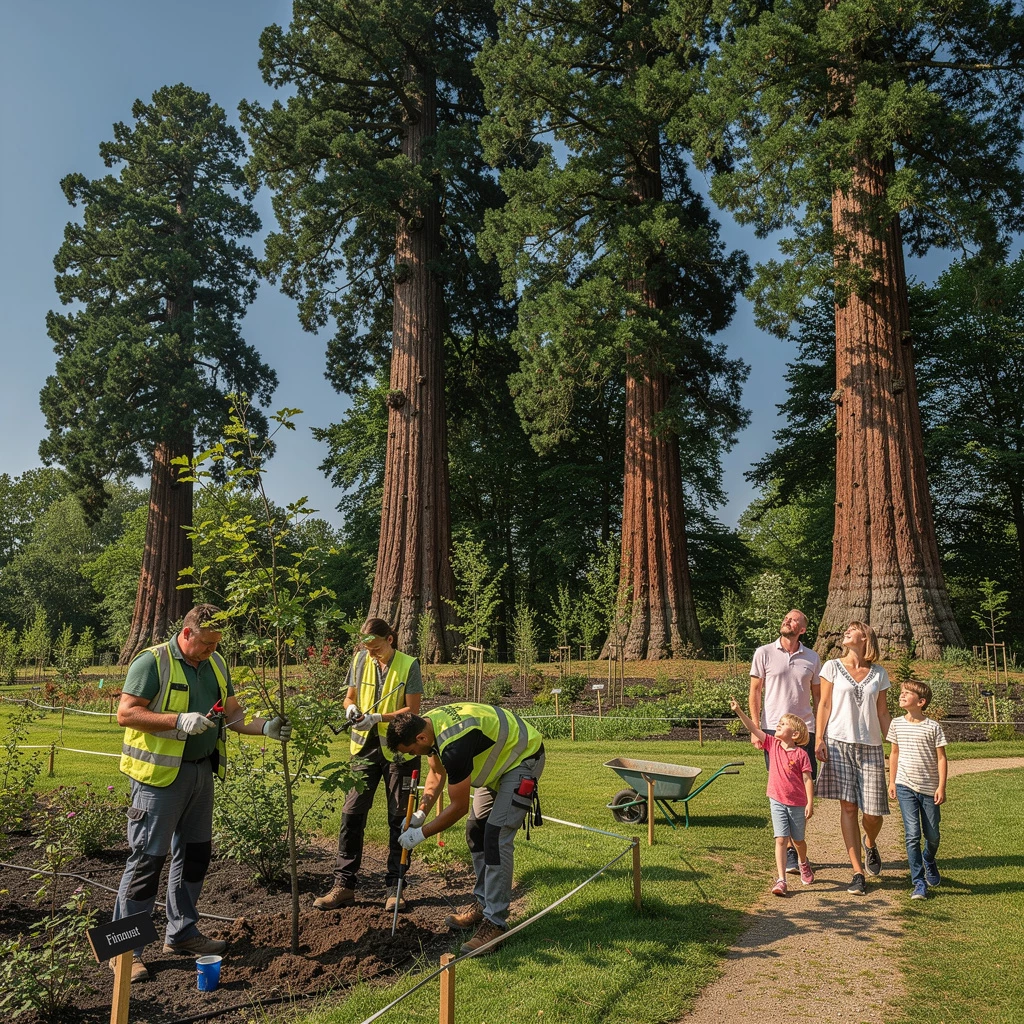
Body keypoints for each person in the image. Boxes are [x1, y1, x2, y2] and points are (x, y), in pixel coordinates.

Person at [112, 604, 292, 982]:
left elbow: (234, 715)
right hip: (157, 779)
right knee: (147, 861)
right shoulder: (153, 662)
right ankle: (125, 952)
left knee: (194, 857)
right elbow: (126, 714)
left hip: (200, 773)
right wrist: (178, 720)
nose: (212, 650)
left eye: (217, 644)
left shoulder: (216, 664)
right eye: (207, 643)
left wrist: (266, 728)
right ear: (187, 632)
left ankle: (181, 933)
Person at [386, 703, 545, 955]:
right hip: (499, 765)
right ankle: (484, 903)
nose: (415, 753)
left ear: (421, 738)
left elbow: (458, 806)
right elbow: (436, 775)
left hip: (522, 759)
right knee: (475, 830)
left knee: (495, 835)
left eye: (413, 749)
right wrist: (420, 813)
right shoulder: (429, 723)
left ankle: (495, 922)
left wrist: (420, 834)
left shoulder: (454, 745)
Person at [314, 618, 422, 913]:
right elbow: (349, 696)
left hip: (400, 750)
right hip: (362, 749)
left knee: (399, 818)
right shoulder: (360, 660)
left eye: (377, 648)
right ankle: (344, 886)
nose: (372, 653)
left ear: (391, 638)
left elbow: (413, 710)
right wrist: (350, 708)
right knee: (351, 814)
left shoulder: (409, 665)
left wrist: (379, 718)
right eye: (368, 648)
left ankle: (395, 887)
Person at [814, 621, 892, 896]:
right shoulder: (832, 667)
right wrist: (819, 738)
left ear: (865, 637)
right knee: (848, 807)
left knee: (873, 812)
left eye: (852, 630)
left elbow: (882, 713)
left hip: (870, 746)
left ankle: (870, 842)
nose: (846, 632)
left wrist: (895, 742)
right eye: (846, 629)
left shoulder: (879, 673)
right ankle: (857, 872)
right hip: (838, 743)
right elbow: (823, 704)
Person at [749, 609, 821, 874]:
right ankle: (791, 850)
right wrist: (757, 729)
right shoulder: (764, 652)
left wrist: (821, 735)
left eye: (793, 620)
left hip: (806, 732)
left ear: (802, 629)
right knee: (781, 788)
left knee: (801, 790)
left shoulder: (812, 657)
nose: (787, 621)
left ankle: (797, 844)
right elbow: (755, 691)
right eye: (786, 618)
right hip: (774, 731)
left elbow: (819, 698)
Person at [729, 698, 815, 896]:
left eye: (783, 724)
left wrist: (810, 802)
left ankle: (803, 862)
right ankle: (781, 880)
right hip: (776, 800)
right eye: (780, 722)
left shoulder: (801, 754)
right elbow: (753, 727)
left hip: (797, 804)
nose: (778, 725)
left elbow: (807, 779)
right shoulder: (772, 744)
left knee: (799, 840)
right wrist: (739, 711)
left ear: (794, 734)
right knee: (781, 839)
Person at [887, 679, 948, 899]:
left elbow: (941, 758)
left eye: (907, 693)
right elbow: (894, 754)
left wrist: (941, 786)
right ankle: (918, 881)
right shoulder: (896, 724)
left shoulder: (933, 727)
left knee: (932, 835)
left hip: (929, 789)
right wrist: (892, 782)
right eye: (901, 692)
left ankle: (929, 858)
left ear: (921, 702)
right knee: (912, 835)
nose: (902, 695)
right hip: (905, 786)